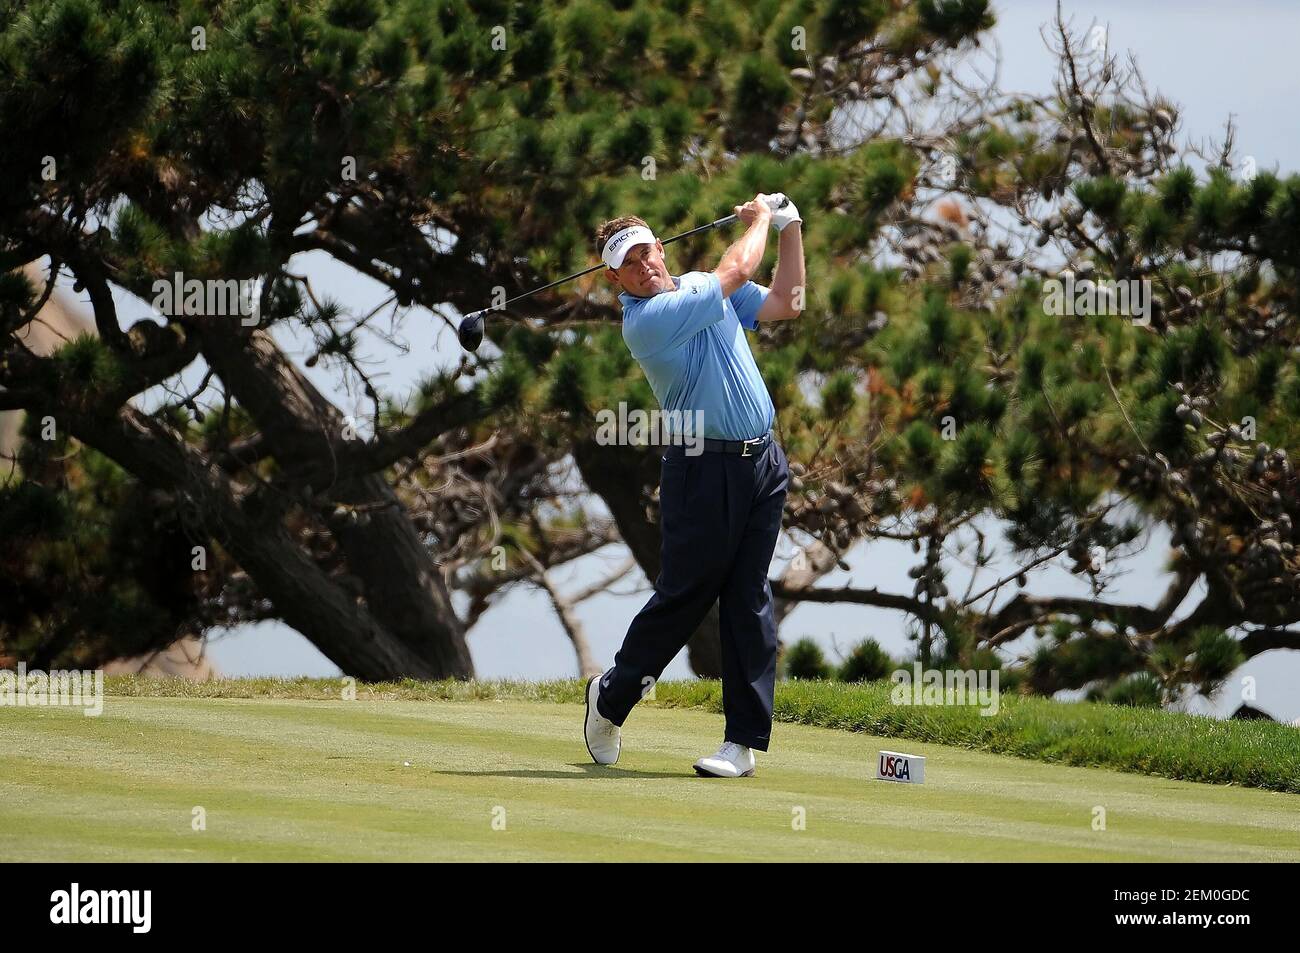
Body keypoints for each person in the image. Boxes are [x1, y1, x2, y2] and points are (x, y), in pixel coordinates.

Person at [584, 192, 806, 777]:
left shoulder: (695, 287)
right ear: (616, 280)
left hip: (763, 463)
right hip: (702, 469)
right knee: (685, 598)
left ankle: (742, 744)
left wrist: (789, 230)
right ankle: (610, 700)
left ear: (662, 247)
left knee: (749, 598)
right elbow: (736, 269)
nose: (644, 266)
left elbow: (789, 303)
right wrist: (759, 221)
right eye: (628, 263)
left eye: (647, 252)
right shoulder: (648, 321)